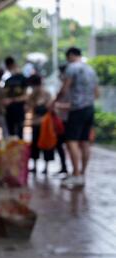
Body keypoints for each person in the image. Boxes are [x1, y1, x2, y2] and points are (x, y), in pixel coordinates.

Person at [56, 48, 99, 187]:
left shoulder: (72, 68)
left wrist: (54, 102)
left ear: (70, 56)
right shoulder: (91, 70)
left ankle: (76, 174)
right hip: (90, 108)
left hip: (77, 109)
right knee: (85, 141)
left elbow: (64, 89)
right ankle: (82, 174)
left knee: (71, 141)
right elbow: (97, 93)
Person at [27, 75, 54, 174]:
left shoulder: (46, 93)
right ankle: (35, 165)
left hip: (45, 124)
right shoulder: (33, 95)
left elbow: (49, 107)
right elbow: (29, 107)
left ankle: (45, 167)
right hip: (36, 122)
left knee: (45, 145)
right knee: (35, 145)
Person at [3, 57, 29, 139]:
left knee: (20, 131)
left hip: (19, 109)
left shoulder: (23, 79)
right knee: (11, 132)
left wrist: (12, 100)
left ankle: (20, 151)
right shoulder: (7, 80)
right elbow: (4, 95)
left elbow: (26, 96)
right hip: (9, 110)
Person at [52, 65, 70, 175]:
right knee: (59, 144)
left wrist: (57, 105)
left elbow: (72, 105)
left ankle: (74, 171)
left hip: (69, 120)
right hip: (61, 120)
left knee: (70, 145)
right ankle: (64, 167)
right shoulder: (63, 87)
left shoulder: (71, 88)